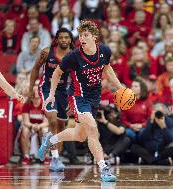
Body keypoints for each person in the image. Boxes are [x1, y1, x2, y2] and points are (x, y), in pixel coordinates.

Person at [40, 20, 124, 182]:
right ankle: (104, 168)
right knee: (92, 128)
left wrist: (119, 87)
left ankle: (50, 139)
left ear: (94, 37)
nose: (82, 38)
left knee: (80, 135)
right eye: (80, 35)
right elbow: (57, 73)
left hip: (94, 96)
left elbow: (107, 68)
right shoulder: (73, 56)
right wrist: (51, 94)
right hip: (78, 97)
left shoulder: (105, 51)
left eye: (86, 35)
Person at [28, 28, 74, 172]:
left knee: (61, 126)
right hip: (47, 87)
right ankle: (54, 157)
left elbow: (77, 79)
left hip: (63, 91)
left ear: (71, 40)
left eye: (67, 37)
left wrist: (72, 99)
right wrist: (30, 89)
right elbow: (35, 69)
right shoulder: (47, 52)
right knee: (52, 120)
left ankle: (56, 156)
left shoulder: (73, 55)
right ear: (56, 39)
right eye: (61, 38)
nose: (64, 40)